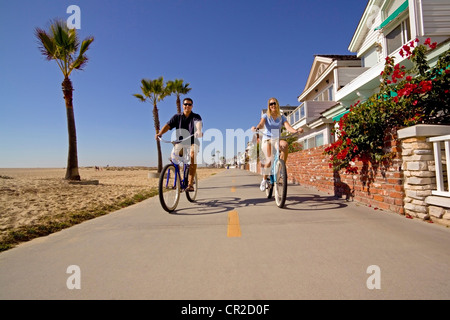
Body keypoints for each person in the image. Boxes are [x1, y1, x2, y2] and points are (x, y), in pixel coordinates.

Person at [251, 97, 303, 191]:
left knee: (285, 145)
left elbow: (288, 127)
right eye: (271, 104)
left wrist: (296, 131)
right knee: (269, 159)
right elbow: (261, 124)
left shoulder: (281, 117)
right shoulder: (266, 116)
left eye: (274, 103)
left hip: (276, 139)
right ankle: (264, 180)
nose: (273, 105)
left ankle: (281, 168)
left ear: (277, 104)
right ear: (269, 106)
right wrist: (257, 128)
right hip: (267, 139)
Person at [156, 98, 203, 191]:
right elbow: (168, 126)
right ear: (182, 105)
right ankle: (178, 181)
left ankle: (190, 184)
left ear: (192, 106)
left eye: (189, 104)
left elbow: (198, 124)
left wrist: (198, 131)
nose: (187, 106)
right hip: (180, 142)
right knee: (174, 157)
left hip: (193, 141)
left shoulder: (196, 116)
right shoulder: (177, 117)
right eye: (185, 104)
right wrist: (160, 133)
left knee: (193, 155)